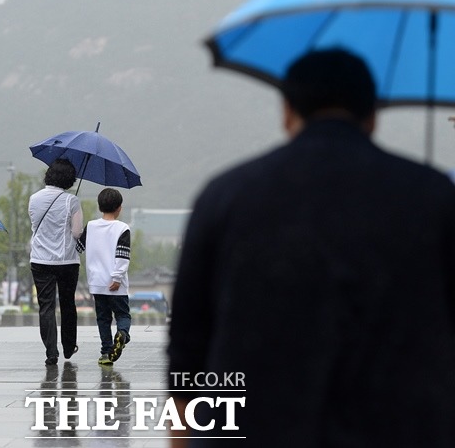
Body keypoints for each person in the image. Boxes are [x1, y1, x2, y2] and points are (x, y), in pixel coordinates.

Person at [167, 48, 455, 447]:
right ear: (372, 117)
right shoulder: (434, 196)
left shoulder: (226, 196)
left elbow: (188, 344)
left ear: (287, 112)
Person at [28, 158, 83, 365]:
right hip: (67, 260)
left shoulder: (34, 198)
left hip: (40, 259)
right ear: (69, 179)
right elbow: (77, 232)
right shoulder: (72, 201)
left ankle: (51, 352)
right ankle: (68, 346)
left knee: (46, 306)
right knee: (68, 303)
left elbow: (35, 224)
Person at [76, 188, 131, 366]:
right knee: (123, 315)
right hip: (116, 284)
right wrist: (116, 278)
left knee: (103, 318)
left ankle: (106, 352)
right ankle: (122, 333)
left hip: (97, 283)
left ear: (100, 206)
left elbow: (78, 248)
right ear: (119, 208)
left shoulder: (91, 226)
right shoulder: (122, 228)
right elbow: (123, 256)